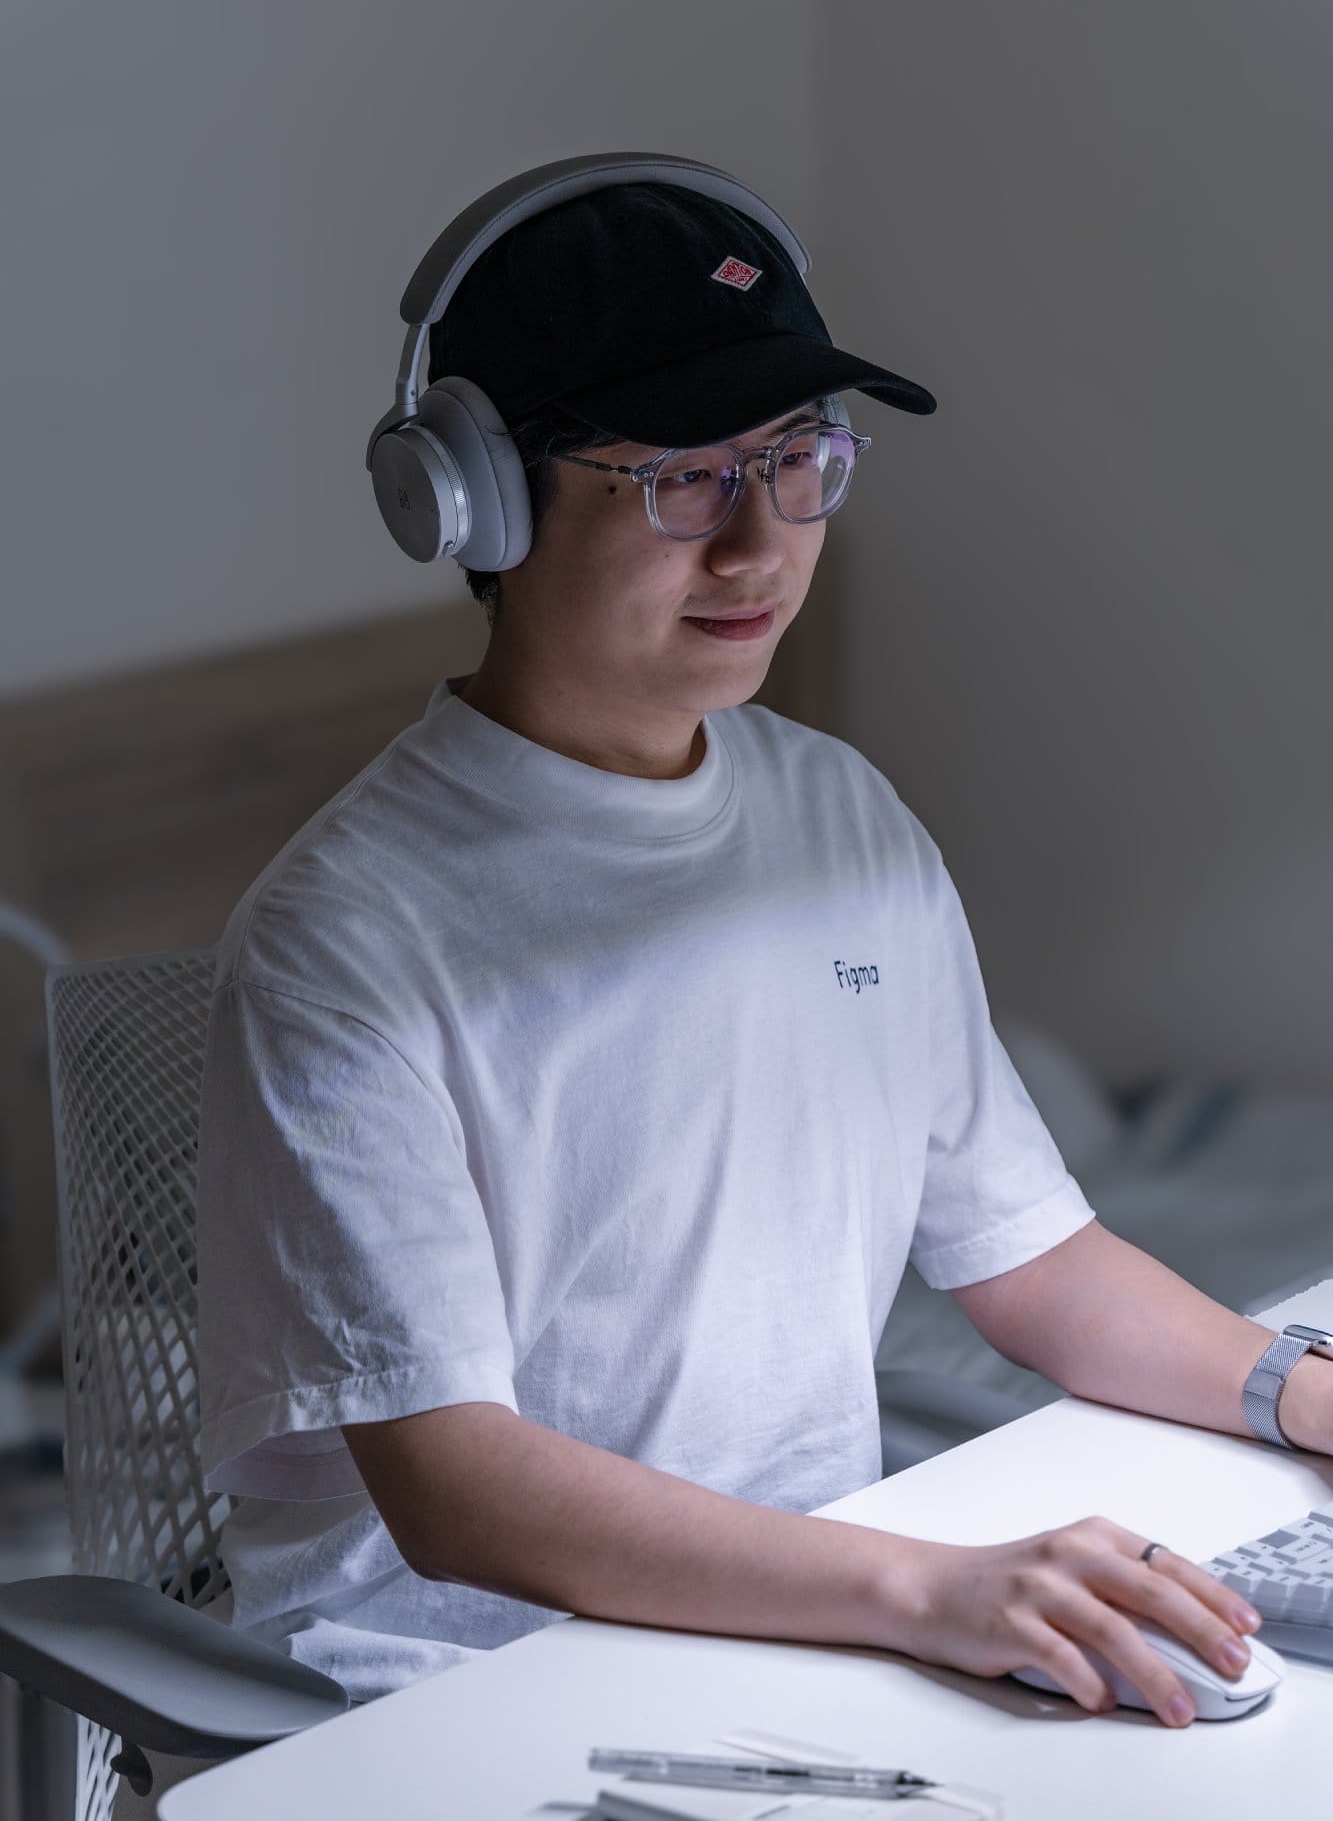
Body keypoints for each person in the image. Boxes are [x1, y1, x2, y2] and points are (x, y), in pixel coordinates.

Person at [196, 175, 1333, 1733]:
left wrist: (1300, 1394)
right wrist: (930, 1592)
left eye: (797, 463)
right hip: (455, 1689)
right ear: (481, 500)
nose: (756, 546)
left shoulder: (836, 817)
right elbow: (461, 1494)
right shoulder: (350, 937)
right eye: (679, 481)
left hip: (790, 1628)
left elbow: (1032, 1257)